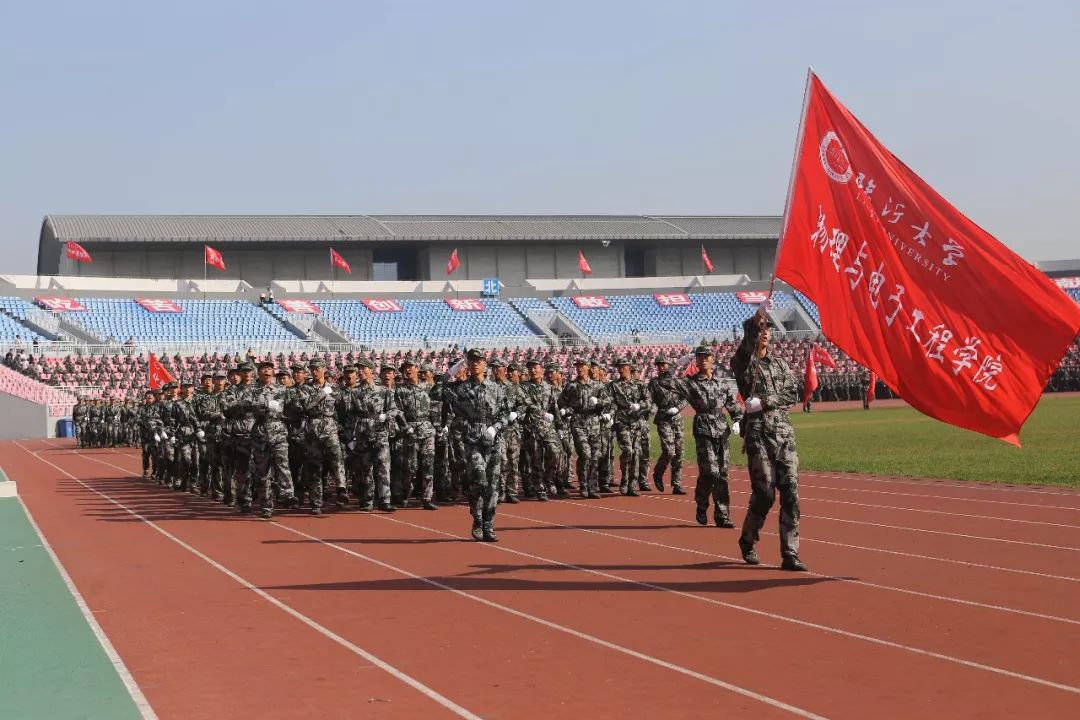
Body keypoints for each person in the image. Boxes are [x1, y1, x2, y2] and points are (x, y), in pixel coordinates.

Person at [730, 308, 807, 571]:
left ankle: (790, 552)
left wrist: (765, 401)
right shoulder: (743, 363)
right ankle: (748, 539)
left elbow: (792, 394)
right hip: (758, 435)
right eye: (761, 330)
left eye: (768, 330)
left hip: (784, 435)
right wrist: (755, 321)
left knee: (791, 494)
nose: (765, 334)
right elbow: (745, 348)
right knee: (764, 494)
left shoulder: (780, 365)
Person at [444, 348, 511, 541]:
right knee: (479, 480)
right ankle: (477, 517)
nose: (475, 363)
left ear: (485, 364)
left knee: (492, 486)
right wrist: (452, 371)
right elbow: (437, 390)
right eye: (471, 360)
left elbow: (507, 414)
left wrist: (496, 427)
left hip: (492, 441)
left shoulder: (496, 388)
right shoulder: (460, 388)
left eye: (478, 360)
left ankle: (488, 526)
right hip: (472, 440)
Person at [682, 346, 743, 528]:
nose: (702, 360)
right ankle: (702, 503)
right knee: (710, 472)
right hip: (703, 429)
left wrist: (738, 420)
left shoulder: (722, 383)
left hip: (721, 428)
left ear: (712, 359)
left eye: (706, 357)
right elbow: (672, 389)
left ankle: (722, 515)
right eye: (699, 357)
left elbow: (732, 404)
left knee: (722, 474)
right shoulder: (691, 383)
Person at [648, 355, 687, 495]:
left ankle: (677, 484)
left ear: (669, 365)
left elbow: (685, 398)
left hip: (676, 417)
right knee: (669, 451)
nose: (661, 367)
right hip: (663, 417)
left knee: (679, 452)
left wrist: (678, 408)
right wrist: (651, 411)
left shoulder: (677, 382)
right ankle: (658, 473)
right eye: (659, 365)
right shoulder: (654, 383)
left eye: (664, 364)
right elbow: (650, 400)